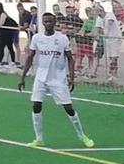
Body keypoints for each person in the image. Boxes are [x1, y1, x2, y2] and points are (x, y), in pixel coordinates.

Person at [16, 12, 94, 148]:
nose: (48, 24)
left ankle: (82, 136)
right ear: (43, 23)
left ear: (55, 22)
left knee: (68, 108)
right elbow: (30, 57)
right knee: (36, 105)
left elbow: (70, 58)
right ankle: (39, 138)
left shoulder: (62, 38)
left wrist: (71, 77)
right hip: (41, 78)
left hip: (58, 79)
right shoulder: (37, 38)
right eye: (45, 21)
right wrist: (22, 77)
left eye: (50, 21)